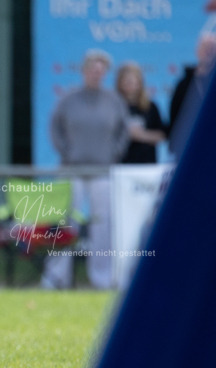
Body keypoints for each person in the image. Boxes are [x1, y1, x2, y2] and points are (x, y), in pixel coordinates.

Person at [45, 49, 130, 290]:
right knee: (64, 224)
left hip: (103, 171)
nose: (96, 73)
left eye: (101, 70)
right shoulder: (69, 99)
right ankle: (55, 277)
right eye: (92, 69)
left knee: (102, 225)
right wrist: (66, 152)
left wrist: (114, 152)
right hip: (72, 169)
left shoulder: (113, 101)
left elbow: (123, 131)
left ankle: (102, 278)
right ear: (84, 71)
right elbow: (55, 128)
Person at [169, 33, 216, 158]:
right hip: (189, 149)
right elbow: (175, 117)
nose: (208, 52)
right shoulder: (183, 85)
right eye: (205, 47)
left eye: (212, 48)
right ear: (198, 51)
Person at [116, 62, 167, 164]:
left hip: (146, 163)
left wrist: (141, 135)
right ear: (119, 83)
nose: (129, 85)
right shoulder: (114, 107)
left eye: (132, 81)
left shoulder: (150, 107)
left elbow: (162, 135)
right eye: (126, 81)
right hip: (120, 164)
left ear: (139, 83)